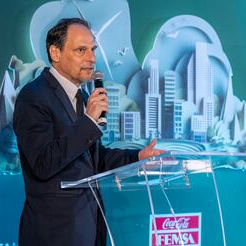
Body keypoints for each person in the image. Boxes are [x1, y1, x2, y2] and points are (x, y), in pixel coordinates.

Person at [13, 18, 164, 246]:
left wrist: (137, 157)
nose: (92, 58)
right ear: (55, 52)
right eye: (81, 50)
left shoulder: (81, 97)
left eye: (92, 50)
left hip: (89, 230)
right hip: (53, 235)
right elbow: (43, 163)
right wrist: (89, 121)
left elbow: (93, 159)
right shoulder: (33, 97)